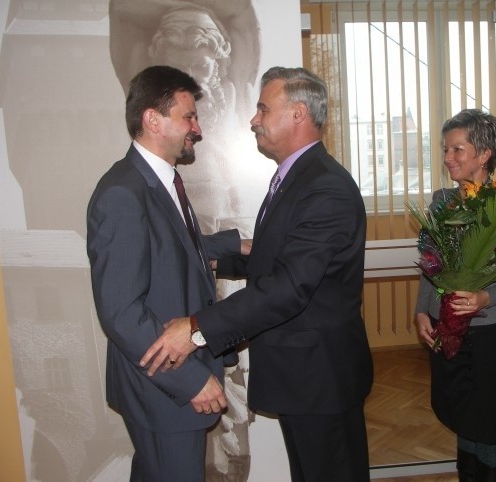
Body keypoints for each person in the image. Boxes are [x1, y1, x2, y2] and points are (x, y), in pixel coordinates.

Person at [140, 66, 374, 482]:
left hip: (320, 378)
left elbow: (288, 287)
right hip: (304, 376)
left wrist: (195, 329)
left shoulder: (325, 188)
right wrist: (215, 259)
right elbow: (279, 261)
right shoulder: (296, 177)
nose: (254, 120)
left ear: (298, 114)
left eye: (263, 109)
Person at [86, 65, 246, 482]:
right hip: (163, 387)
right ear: (153, 120)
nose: (198, 129)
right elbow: (121, 312)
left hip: (164, 384)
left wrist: (235, 244)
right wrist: (191, 381)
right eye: (188, 117)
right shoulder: (123, 193)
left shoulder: (160, 181)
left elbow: (169, 249)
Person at [414, 109, 496, 481]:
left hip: (494, 332)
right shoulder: (442, 201)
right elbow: (431, 262)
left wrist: (486, 298)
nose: (447, 158)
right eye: (445, 150)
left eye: (457, 149)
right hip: (448, 324)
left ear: (484, 154)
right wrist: (423, 311)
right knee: (460, 410)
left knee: (488, 419)